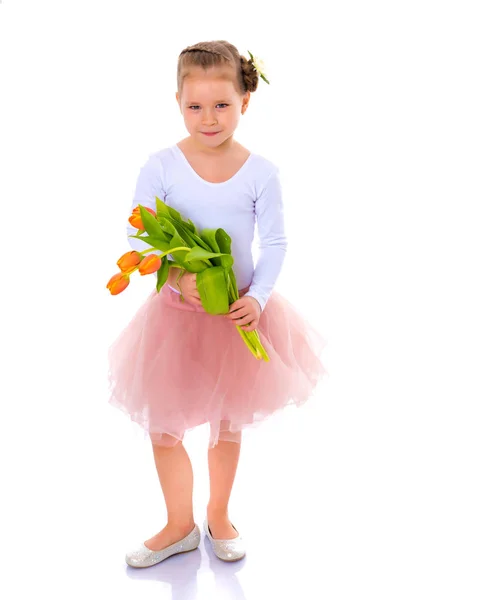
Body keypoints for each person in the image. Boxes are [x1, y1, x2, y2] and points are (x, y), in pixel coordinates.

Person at [107, 40, 328, 568]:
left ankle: (219, 514)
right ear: (178, 102)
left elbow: (273, 243)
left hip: (235, 317)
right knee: (164, 428)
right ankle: (178, 524)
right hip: (175, 322)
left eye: (222, 104)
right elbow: (140, 235)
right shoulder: (161, 165)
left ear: (245, 101)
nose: (209, 118)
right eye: (195, 106)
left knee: (227, 425)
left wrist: (258, 297)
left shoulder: (260, 172)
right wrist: (176, 275)